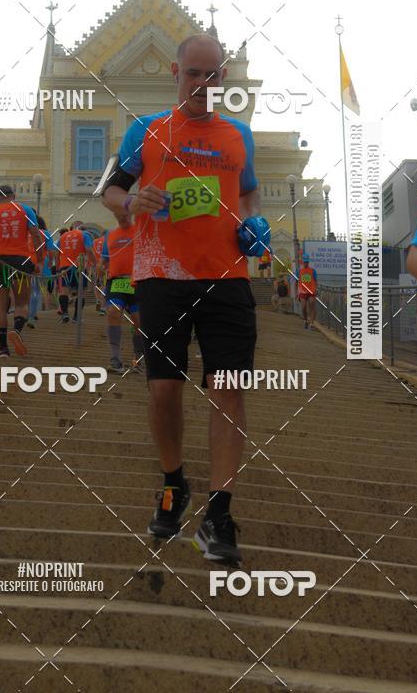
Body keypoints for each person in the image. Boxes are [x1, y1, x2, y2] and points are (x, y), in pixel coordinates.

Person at [102, 33, 270, 564]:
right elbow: (108, 192)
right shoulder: (146, 130)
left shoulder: (239, 134)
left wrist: (256, 225)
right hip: (160, 278)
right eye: (193, 73)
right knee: (163, 392)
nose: (202, 84)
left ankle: (220, 513)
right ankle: (174, 482)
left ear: (224, 79)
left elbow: (247, 195)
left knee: (229, 390)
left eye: (212, 75)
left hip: (227, 278)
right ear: (175, 73)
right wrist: (131, 200)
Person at [0, 185, 42, 357]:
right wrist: (40, 260)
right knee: (22, 303)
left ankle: (3, 349)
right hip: (22, 260)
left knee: (0, 304)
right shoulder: (26, 210)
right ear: (13, 195)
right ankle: (16, 330)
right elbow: (36, 235)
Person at [101, 214, 143, 374]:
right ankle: (115, 360)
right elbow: (104, 260)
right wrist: (100, 266)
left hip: (138, 281)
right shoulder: (110, 235)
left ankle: (137, 359)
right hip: (116, 281)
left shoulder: (140, 230)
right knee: (112, 313)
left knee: (139, 322)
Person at [56, 224, 96, 323]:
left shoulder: (63, 237)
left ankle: (65, 314)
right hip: (80, 266)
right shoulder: (84, 235)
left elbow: (57, 253)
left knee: (64, 291)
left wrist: (58, 268)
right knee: (81, 292)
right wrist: (95, 264)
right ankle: (76, 317)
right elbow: (89, 250)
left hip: (64, 267)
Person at [297, 255, 318, 329]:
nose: (305, 263)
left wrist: (316, 289)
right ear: (302, 262)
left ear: (308, 262)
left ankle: (312, 323)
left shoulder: (313, 270)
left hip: (311, 291)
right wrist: (297, 292)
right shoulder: (299, 271)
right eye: (304, 262)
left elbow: (316, 281)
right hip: (302, 291)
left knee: (312, 305)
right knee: (303, 307)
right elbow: (296, 281)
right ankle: (305, 320)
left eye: (307, 262)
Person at [93, 232, 107, 314]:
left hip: (95, 266)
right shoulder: (108, 240)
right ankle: (103, 306)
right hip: (105, 267)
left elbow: (90, 253)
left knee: (96, 285)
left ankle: (98, 299)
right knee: (104, 286)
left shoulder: (94, 242)